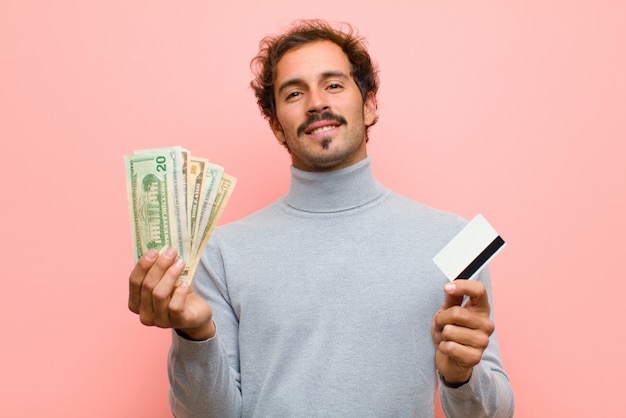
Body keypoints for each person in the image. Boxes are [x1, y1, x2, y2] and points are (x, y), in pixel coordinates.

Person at [128, 19, 515, 417]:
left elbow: (496, 413)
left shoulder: (455, 240)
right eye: (294, 92)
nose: (316, 102)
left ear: (369, 104)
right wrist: (195, 337)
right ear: (277, 125)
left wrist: (461, 378)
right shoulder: (222, 254)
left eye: (333, 84)